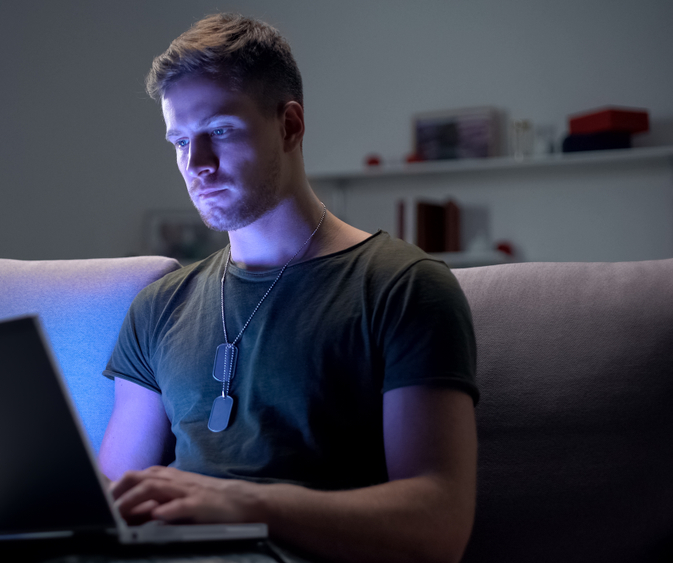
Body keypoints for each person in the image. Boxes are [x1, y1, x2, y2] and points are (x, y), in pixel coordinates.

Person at [99, 13, 479, 563]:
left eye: (220, 131)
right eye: (179, 140)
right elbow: (113, 501)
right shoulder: (159, 305)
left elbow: (438, 526)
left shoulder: (403, 287)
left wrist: (246, 504)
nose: (195, 164)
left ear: (290, 126)